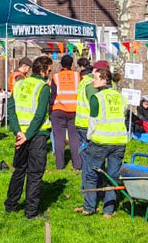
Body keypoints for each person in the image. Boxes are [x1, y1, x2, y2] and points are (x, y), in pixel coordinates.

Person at [5, 56, 54, 220]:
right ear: (43, 70)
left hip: (20, 135)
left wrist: (18, 131)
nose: (50, 73)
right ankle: (31, 212)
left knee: (19, 170)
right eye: (49, 70)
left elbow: (10, 109)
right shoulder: (44, 88)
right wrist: (27, 135)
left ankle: (10, 205)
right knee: (34, 173)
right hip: (36, 136)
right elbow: (40, 115)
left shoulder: (19, 84)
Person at [75, 67, 127, 217]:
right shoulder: (119, 96)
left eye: (96, 78)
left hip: (100, 141)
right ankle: (108, 210)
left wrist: (89, 138)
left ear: (105, 79)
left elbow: (93, 122)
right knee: (113, 176)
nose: (93, 80)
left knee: (91, 175)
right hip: (119, 141)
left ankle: (89, 207)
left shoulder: (96, 98)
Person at [50, 55, 82, 170]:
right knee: (74, 138)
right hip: (74, 110)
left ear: (60, 64)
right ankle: (77, 165)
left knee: (59, 138)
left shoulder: (55, 77)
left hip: (58, 110)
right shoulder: (77, 76)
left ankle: (59, 165)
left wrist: (50, 110)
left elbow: (52, 94)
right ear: (72, 64)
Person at [75, 60, 109, 151]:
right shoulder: (92, 85)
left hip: (81, 122)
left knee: (86, 152)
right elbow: (95, 105)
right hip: (89, 124)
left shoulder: (85, 80)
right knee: (92, 154)